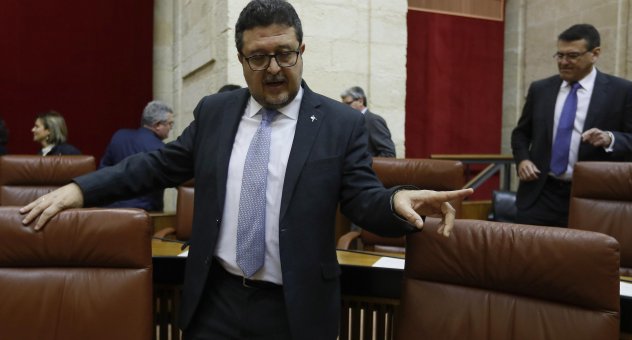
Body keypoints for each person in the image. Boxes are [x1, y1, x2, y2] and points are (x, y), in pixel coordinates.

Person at [19, 1, 472, 339]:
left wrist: (396, 200)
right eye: (259, 57)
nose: (274, 69)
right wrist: (80, 189)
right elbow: (157, 165)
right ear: (241, 59)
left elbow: (362, 198)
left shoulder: (340, 124)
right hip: (215, 301)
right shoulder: (216, 112)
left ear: (302, 51)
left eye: (285, 54)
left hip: (295, 311)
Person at [511, 23, 632, 227]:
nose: (564, 62)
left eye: (572, 56)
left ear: (595, 54)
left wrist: (610, 138)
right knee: (531, 255)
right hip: (540, 194)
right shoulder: (541, 89)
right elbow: (521, 134)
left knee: (582, 257)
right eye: (559, 55)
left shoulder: (620, 91)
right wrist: (523, 159)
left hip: (593, 196)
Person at [99, 100, 175, 211]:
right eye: (170, 124)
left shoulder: (119, 137)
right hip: (146, 215)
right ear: (158, 125)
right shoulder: (162, 149)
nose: (171, 128)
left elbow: (102, 172)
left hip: (110, 212)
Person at [341, 86, 396, 157]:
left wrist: (365, 164)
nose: (344, 107)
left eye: (348, 103)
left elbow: (389, 154)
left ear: (360, 101)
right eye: (343, 104)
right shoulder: (352, 121)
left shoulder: (373, 120)